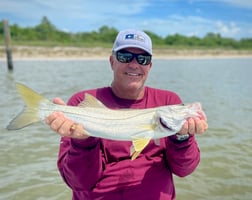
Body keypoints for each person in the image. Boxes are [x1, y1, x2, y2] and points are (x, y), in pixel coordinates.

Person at [46, 29, 208, 200]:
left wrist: (182, 138)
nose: (134, 64)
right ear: (112, 61)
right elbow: (78, 182)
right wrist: (81, 141)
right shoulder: (81, 102)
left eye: (143, 59)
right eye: (125, 56)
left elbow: (184, 170)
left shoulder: (169, 100)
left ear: (149, 66)